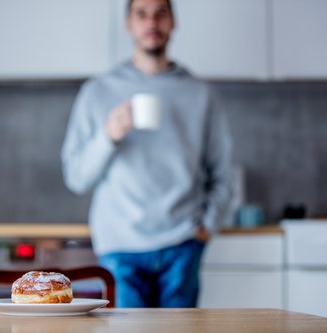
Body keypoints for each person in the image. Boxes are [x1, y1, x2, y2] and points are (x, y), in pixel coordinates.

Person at [61, 0, 232, 308]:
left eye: (161, 13)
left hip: (183, 244)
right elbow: (76, 177)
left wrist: (208, 226)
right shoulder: (97, 92)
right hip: (119, 247)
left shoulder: (200, 94)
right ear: (128, 24)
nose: (151, 21)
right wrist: (108, 137)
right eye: (141, 14)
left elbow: (224, 172)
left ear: (173, 22)